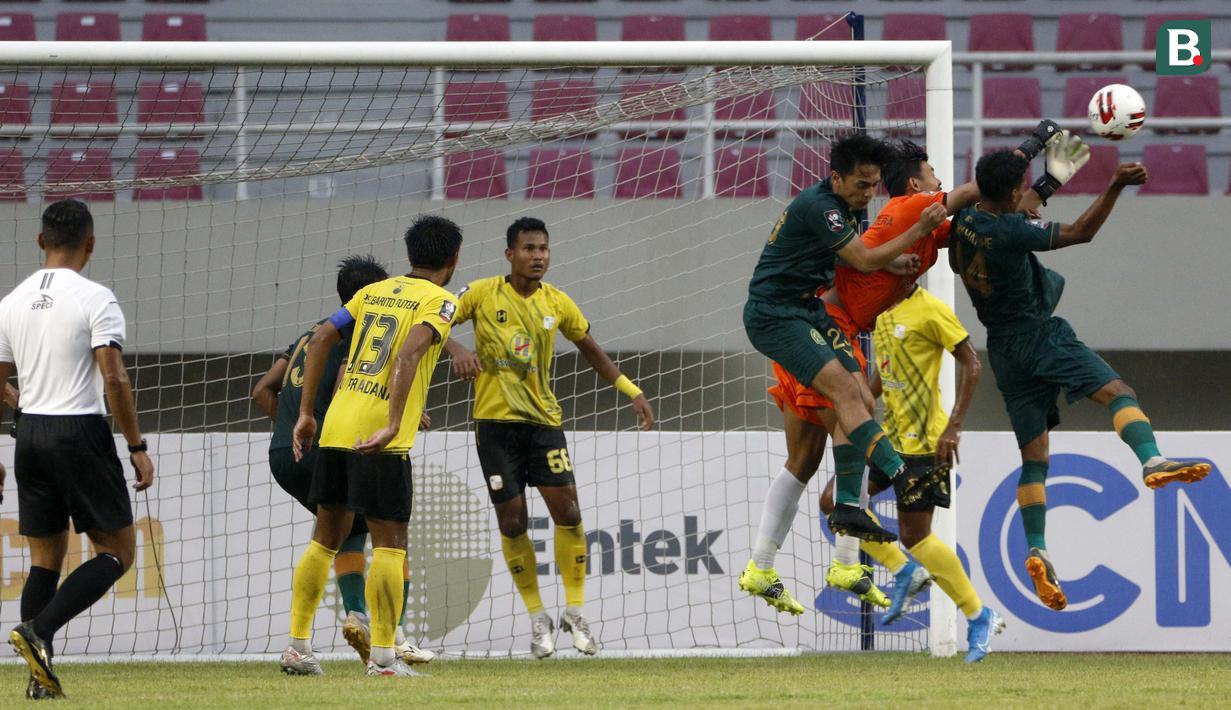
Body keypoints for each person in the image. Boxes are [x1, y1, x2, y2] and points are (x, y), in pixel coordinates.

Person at [951, 146, 1209, 611]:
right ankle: (1151, 460)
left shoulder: (965, 219)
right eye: (1020, 188)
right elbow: (1080, 233)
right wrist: (1114, 185)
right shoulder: (1010, 230)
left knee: (1034, 458)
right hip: (1038, 335)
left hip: (1003, 349)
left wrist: (1050, 181)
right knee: (1119, 393)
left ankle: (1038, 549)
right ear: (1009, 194)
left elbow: (1017, 212)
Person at [445, 217, 653, 659]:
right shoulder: (480, 293)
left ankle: (574, 612)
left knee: (569, 513)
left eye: (543, 248)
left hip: (544, 425)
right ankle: (538, 617)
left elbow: (591, 349)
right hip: (494, 427)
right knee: (513, 523)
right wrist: (456, 348)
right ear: (510, 254)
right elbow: (431, 320)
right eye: (529, 248)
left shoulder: (557, 301)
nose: (538, 256)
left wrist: (631, 391)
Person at [741, 132, 950, 560]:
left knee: (856, 403)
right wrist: (920, 229)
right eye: (861, 184)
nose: (869, 193)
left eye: (874, 185)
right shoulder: (823, 207)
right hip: (777, 315)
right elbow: (862, 260)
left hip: (809, 312)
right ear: (836, 177)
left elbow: (840, 255)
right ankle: (897, 476)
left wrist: (893, 259)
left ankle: (848, 514)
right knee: (840, 404)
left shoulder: (842, 205)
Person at [279, 215, 462, 677]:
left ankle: (298, 647)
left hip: (336, 426)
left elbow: (322, 337)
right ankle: (383, 658)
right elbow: (408, 354)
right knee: (390, 546)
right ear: (454, 259)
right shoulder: (441, 302)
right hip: (380, 437)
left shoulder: (373, 292)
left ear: (410, 254)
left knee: (325, 540)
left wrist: (306, 413)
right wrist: (394, 422)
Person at [0, 200, 155, 698]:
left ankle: (38, 680)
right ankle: (39, 630)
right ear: (90, 244)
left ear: (40, 241)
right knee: (118, 552)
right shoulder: (95, 298)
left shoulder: (10, 302)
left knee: (45, 560)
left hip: (29, 435)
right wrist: (136, 445)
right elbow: (114, 378)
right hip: (78, 431)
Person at [251, 255, 434, 667]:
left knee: (340, 529)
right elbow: (346, 393)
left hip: (285, 453)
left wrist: (296, 425)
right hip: (333, 444)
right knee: (390, 537)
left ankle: (321, 633)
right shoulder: (358, 334)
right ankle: (391, 638)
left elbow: (262, 390)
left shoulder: (308, 335)